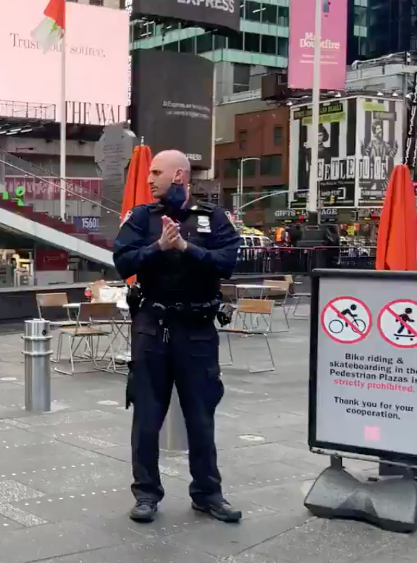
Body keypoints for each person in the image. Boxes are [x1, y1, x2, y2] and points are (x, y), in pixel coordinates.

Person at [114, 150, 242, 524]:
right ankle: (146, 494)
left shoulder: (213, 218)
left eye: (157, 172)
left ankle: (207, 493)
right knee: (147, 417)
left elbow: (228, 263)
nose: (149, 179)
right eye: (150, 172)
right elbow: (122, 261)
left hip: (197, 330)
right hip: (153, 328)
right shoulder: (141, 217)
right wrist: (158, 247)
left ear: (179, 176)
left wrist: (187, 248)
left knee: (201, 416)